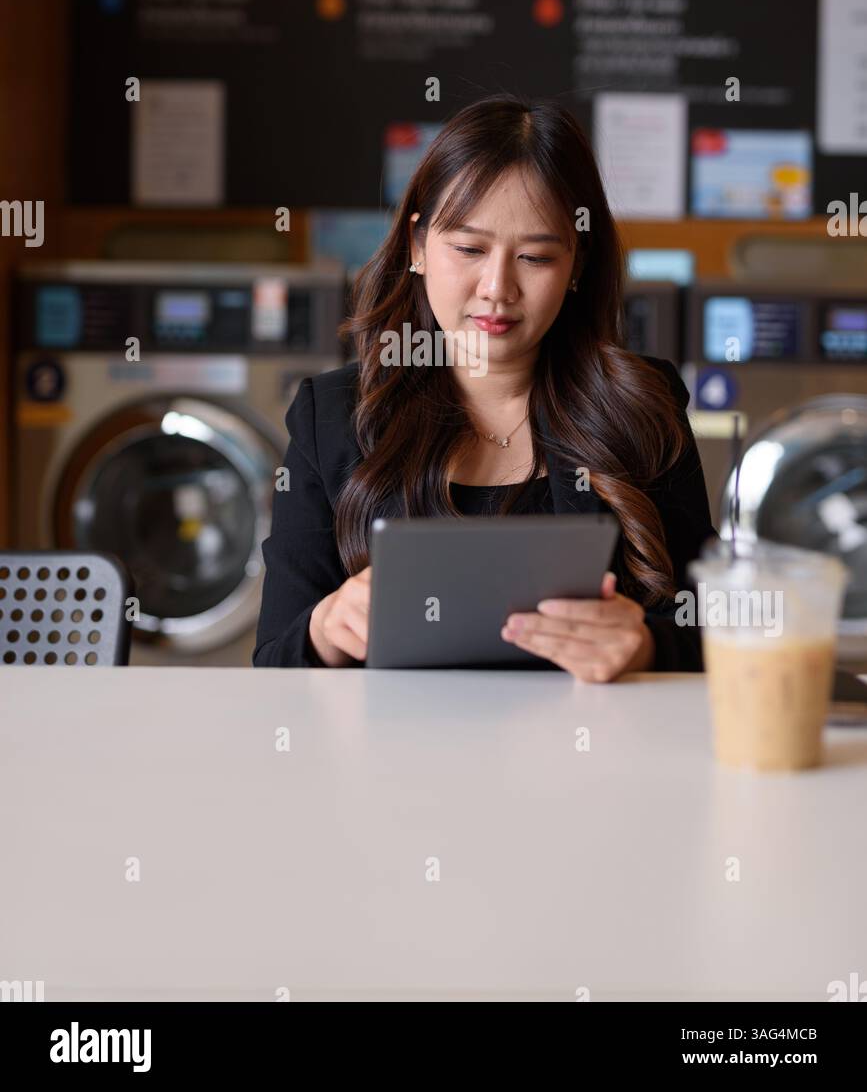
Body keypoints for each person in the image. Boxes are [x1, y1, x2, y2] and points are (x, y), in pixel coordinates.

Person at [254, 95, 716, 678]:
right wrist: (325, 628)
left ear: (577, 265)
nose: (497, 288)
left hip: (588, 760)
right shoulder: (332, 417)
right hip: (393, 761)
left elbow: (715, 626)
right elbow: (273, 664)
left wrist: (647, 645)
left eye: (536, 257)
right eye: (469, 249)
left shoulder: (641, 405)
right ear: (418, 247)